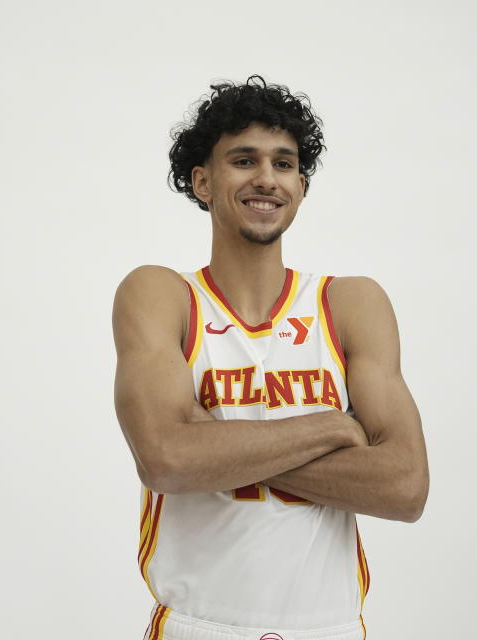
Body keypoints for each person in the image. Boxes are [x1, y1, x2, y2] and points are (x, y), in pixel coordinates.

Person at [112, 75, 429, 640]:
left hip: (329, 627)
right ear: (202, 181)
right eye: (244, 160)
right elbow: (166, 460)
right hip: (200, 625)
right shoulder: (163, 295)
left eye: (284, 164)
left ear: (301, 187)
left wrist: (219, 446)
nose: (266, 178)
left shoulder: (350, 302)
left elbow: (404, 487)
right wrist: (333, 426)